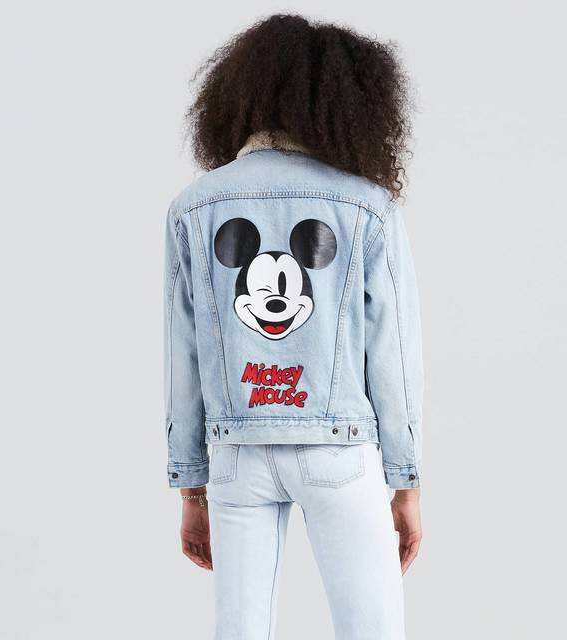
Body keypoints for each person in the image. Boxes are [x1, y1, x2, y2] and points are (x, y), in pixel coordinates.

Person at [163, 14, 423, 639]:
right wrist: (406, 481)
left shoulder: (193, 208)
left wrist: (191, 486)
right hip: (339, 449)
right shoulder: (366, 206)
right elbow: (394, 354)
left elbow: (183, 357)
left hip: (236, 454)